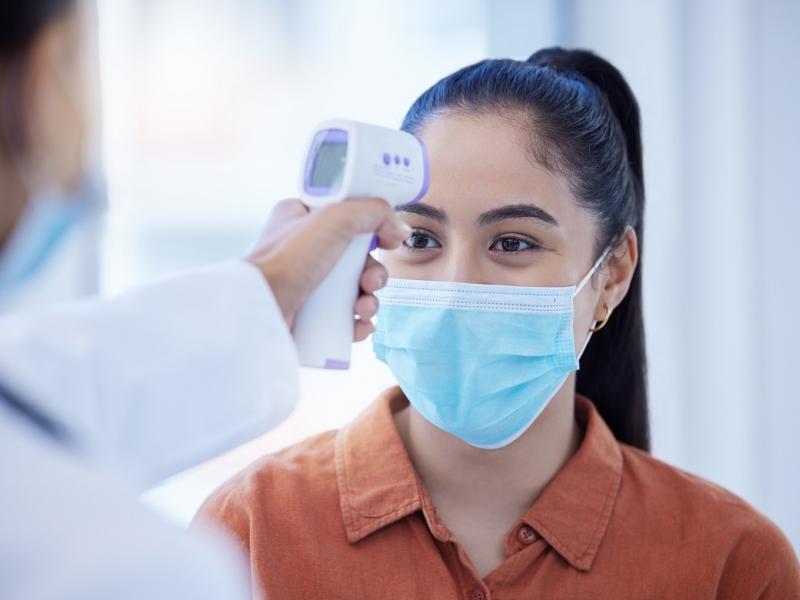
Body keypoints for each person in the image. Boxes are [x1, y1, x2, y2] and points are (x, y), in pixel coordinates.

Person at [195, 48, 800, 599]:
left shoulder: (732, 563)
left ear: (612, 274)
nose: (457, 286)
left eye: (512, 242)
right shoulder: (249, 532)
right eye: (421, 238)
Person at [0, 1, 409, 598]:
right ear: (43, 79)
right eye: (421, 238)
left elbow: (43, 391)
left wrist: (260, 293)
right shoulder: (133, 569)